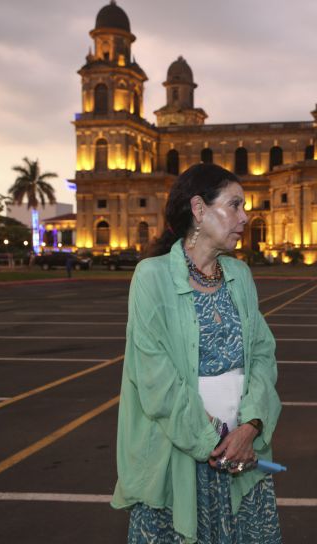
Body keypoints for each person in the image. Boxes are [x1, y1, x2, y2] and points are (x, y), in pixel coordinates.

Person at [111, 163, 282, 543]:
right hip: (179, 454)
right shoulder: (151, 277)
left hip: (242, 452)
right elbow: (157, 381)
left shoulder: (241, 277)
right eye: (235, 205)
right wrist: (215, 443)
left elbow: (261, 357)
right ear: (199, 210)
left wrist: (250, 427)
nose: (245, 216)